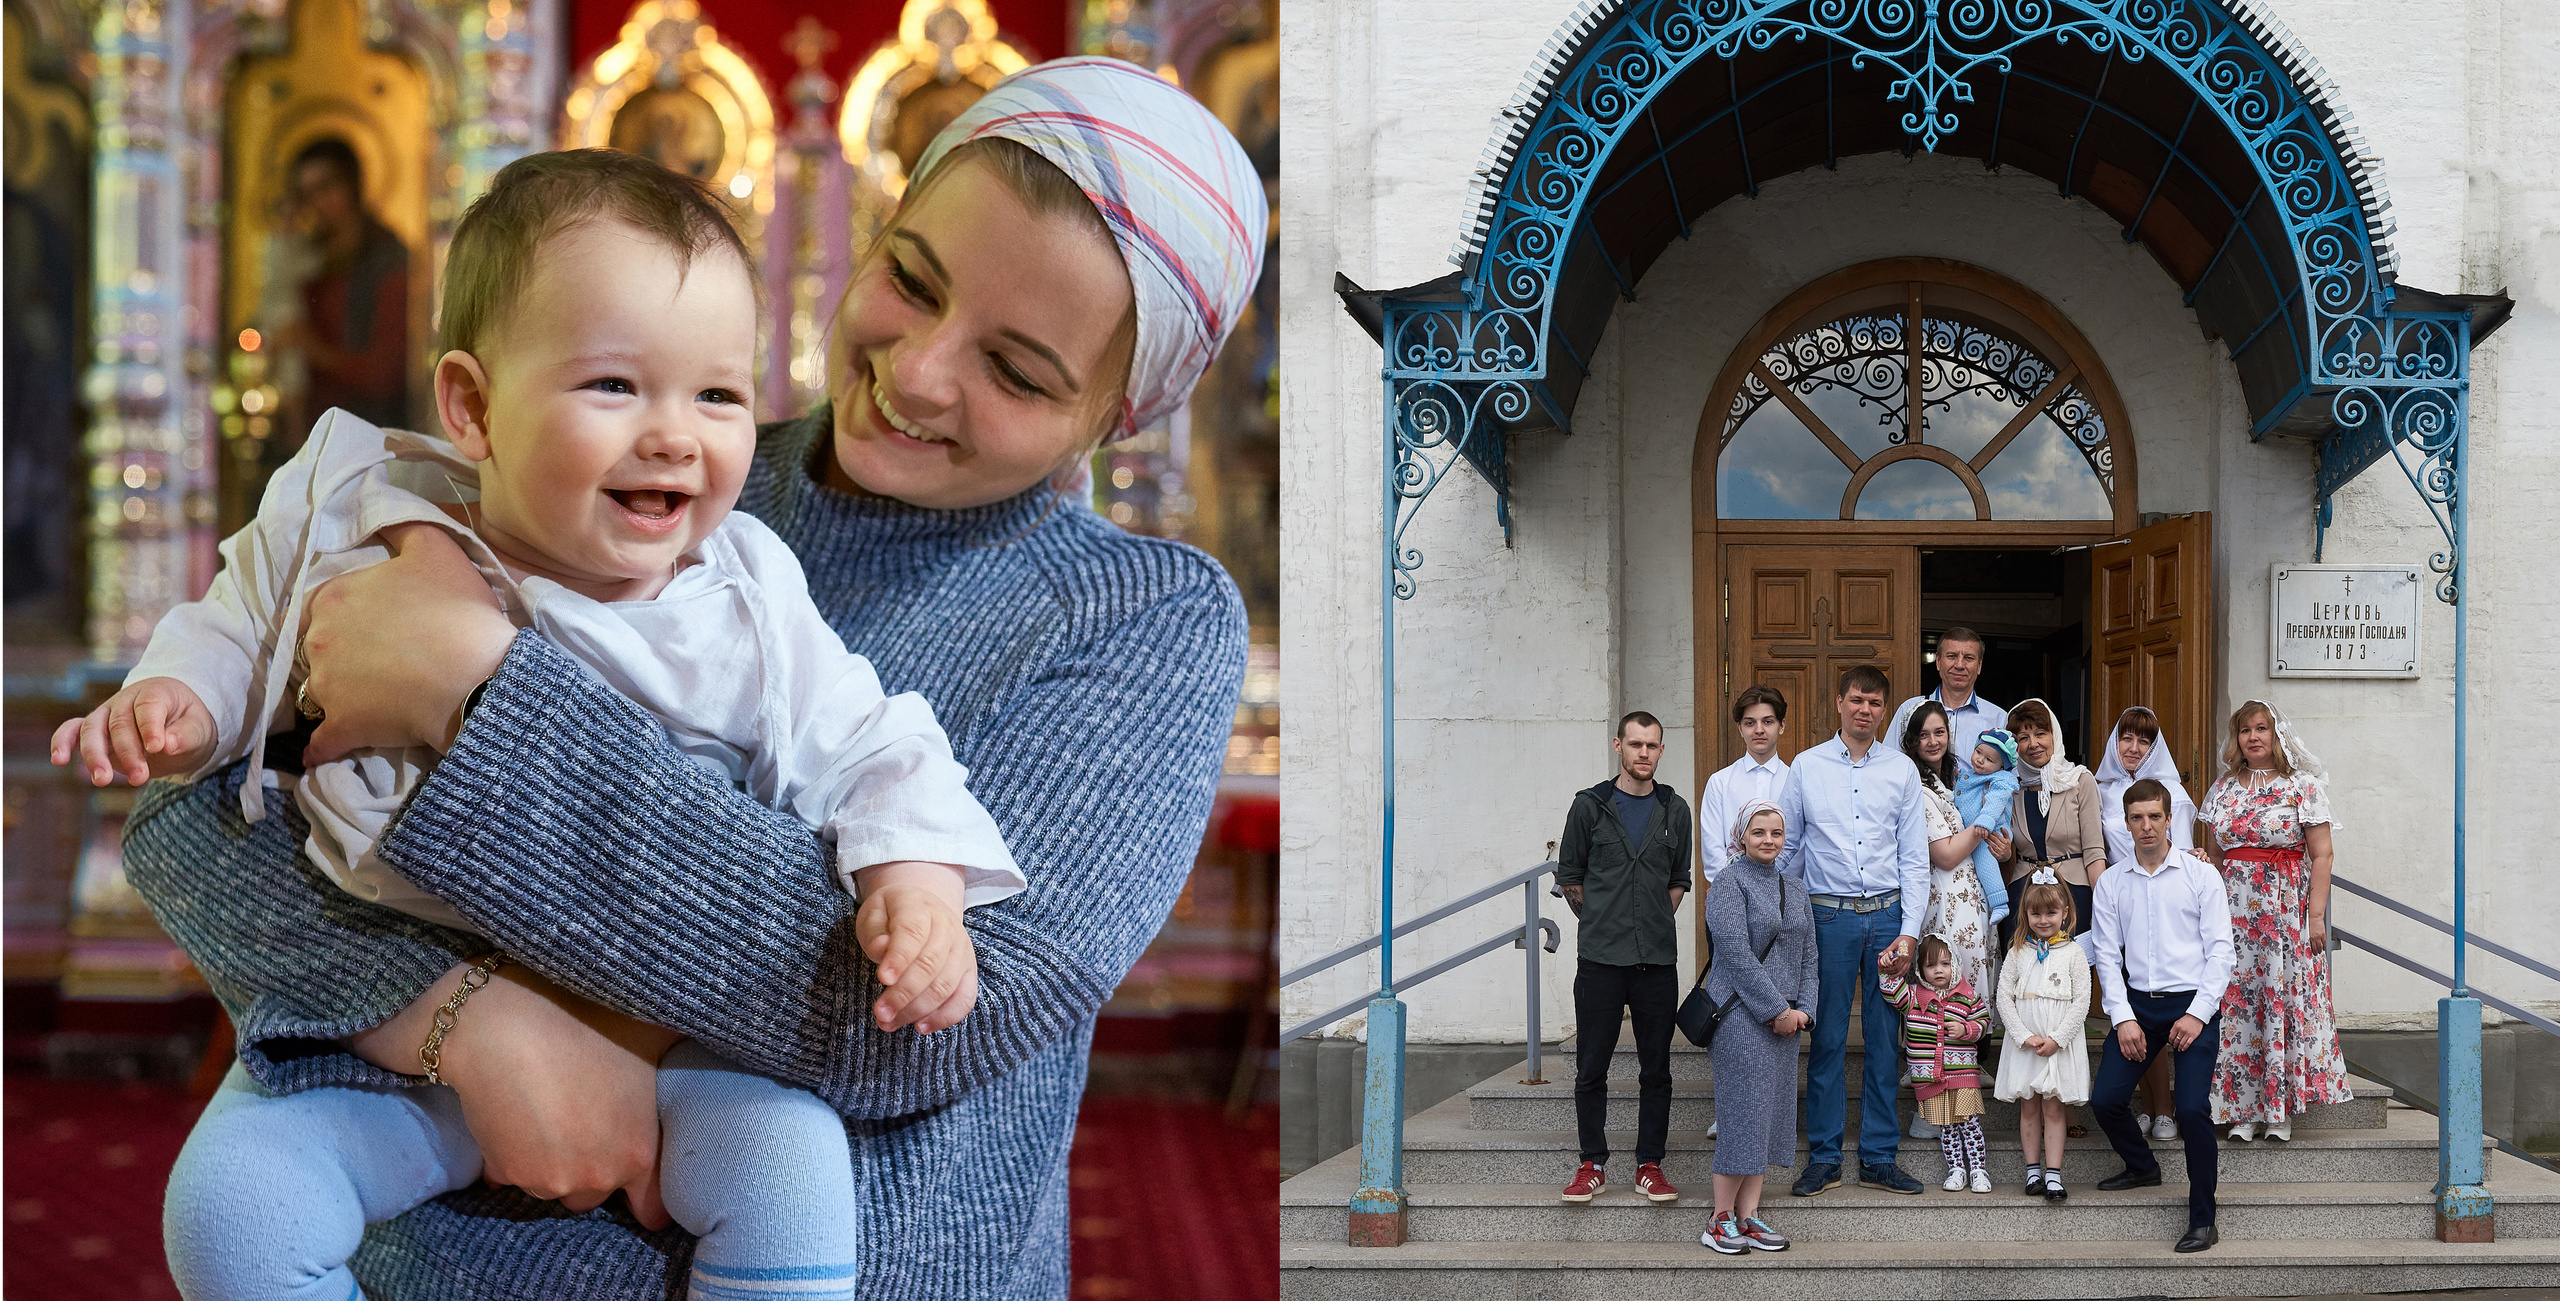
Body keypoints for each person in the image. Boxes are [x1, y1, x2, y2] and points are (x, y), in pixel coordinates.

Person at [114, 57, 1267, 1295]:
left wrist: (476, 690)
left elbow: (924, 1025)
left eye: (1019, 371)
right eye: (911, 278)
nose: (922, 370)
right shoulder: (632, 462)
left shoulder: (1140, 617)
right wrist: (461, 1020)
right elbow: (189, 819)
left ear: (1119, 413)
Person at [1772, 664, 1930, 1198]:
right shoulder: (1807, 766)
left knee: (1885, 1041)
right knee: (1828, 1039)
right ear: (1840, 702)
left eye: (1875, 703)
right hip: (1828, 920)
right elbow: (1789, 848)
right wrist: (1769, 906)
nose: (1866, 710)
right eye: (1857, 699)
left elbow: (1914, 858)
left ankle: (1880, 1157)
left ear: (1885, 711)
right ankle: (1824, 1157)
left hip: (1887, 919)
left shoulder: (1901, 770)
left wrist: (1909, 932)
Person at [2088, 778, 2234, 1254]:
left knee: (2191, 1109)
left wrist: (2197, 1014)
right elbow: (2106, 956)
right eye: (2137, 818)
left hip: (2192, 1005)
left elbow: (2222, 952)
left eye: (2155, 816)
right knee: (2106, 1100)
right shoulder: (2113, 882)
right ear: (2125, 823)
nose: (2146, 826)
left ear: (2170, 819)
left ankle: (2203, 1219)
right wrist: (2122, 1017)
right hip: (2138, 1007)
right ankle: (2142, 1166)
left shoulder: (2201, 875)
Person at [2199, 699, 2351, 1143]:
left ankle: (2279, 1109)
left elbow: (2322, 855)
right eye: (2245, 730)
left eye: (2261, 728)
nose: (2253, 737)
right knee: (2239, 1003)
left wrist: (2316, 917)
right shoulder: (2224, 788)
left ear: (2277, 734)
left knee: (2279, 1000)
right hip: (2234, 914)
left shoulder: (2302, 786)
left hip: (2284, 912)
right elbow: (2218, 855)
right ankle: (2242, 1109)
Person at [1557, 711, 1694, 1205]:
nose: (1643, 753)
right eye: (1635, 744)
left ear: (1661, 750)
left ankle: (1649, 1165)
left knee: (1656, 1069)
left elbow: (1679, 879)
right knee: (1591, 1066)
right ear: (1618, 746)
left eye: (1652, 745)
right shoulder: (1590, 806)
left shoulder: (1674, 809)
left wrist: (1651, 918)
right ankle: (1591, 1163)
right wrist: (1602, 921)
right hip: (1600, 960)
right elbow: (1570, 876)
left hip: (1656, 960)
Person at [1697, 800, 1815, 1255]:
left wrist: (1805, 1009)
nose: (1768, 840)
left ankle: (1748, 1217)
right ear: (1741, 836)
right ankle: (1719, 1219)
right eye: (1759, 832)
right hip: (1741, 1019)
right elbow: (1734, 954)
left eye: (1776, 833)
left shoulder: (1795, 887)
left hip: (1786, 1022)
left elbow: (1810, 956)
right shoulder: (1728, 883)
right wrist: (1776, 1011)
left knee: (1769, 1117)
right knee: (1743, 1117)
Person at [1897, 701, 1999, 1141]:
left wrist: (1997, 842)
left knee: (1968, 988)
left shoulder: (1955, 778)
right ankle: (1932, 1093)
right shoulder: (1916, 786)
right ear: (1911, 741)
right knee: (1940, 987)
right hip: (1942, 899)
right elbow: (1944, 853)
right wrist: (1984, 825)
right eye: (1924, 734)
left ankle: (1967, 1069)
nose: (1933, 741)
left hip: (1970, 896)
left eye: (1939, 732)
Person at [2092, 705, 2195, 1140]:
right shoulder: (2099, 790)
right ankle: (2146, 1106)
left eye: (2145, 741)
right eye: (2126, 738)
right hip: (2118, 900)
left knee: (2154, 1003)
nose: (2134, 748)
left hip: (2161, 906)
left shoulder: (2173, 795)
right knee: (2129, 1008)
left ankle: (2165, 1107)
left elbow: (2182, 854)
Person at [277, 138, 412, 444]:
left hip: (371, 433)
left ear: (353, 185)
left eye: (325, 187)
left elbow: (386, 373)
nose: (317, 203)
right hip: (311, 430)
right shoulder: (305, 260)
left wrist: (313, 350)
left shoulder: (388, 261)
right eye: (306, 194)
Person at [1994, 873, 2092, 1205]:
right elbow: (2004, 996)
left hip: (2056, 1046)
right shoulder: (2017, 951)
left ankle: (2054, 1174)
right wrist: (2022, 1036)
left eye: (2051, 913)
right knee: (2029, 1106)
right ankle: (2032, 1171)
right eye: (2035, 913)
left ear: (2065, 913)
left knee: (2053, 1108)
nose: (2043, 920)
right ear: (2026, 914)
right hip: (2027, 1045)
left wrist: (2058, 1039)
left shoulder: (2074, 952)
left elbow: (2082, 1000)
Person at [1990, 698, 2108, 952]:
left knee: (2071, 970)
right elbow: (2007, 850)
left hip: (2074, 896)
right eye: (2023, 738)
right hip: (2023, 897)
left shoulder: (2080, 781)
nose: (2033, 743)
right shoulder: (2010, 788)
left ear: (2054, 734)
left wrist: (2103, 908)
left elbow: (2094, 852)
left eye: (2040, 733)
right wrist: (2004, 853)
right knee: (2021, 970)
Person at [1879, 934, 1991, 1193]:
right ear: (1920, 969)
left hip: (1962, 1075)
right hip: (1930, 1077)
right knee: (1946, 1126)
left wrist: (1966, 1029)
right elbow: (1890, 989)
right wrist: (1886, 966)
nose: (1938, 970)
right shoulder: (1914, 997)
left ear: (1955, 965)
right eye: (1931, 965)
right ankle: (1956, 1169)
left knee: (1969, 1124)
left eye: (1945, 964)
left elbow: (1984, 1022)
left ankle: (1978, 1170)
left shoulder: (1967, 996)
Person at [1884, 626, 2006, 786]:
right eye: (1951, 656)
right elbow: (1888, 766)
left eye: (1969, 658)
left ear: (1979, 666)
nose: (1959, 665)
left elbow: (2010, 778)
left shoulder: (1998, 719)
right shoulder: (1909, 710)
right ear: (1938, 661)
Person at [1699, 684, 1790, 885]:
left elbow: (1797, 847)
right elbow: (1713, 849)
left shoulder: (1794, 781)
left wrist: (1778, 888)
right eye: (1750, 723)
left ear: (1781, 725)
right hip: (1732, 891)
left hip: (1784, 892)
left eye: (1767, 721)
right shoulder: (1720, 782)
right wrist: (1734, 888)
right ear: (1740, 728)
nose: (1759, 730)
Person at [1952, 728, 2021, 922]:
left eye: (1989, 759)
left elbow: (1995, 802)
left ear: (2002, 767)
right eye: (1978, 752)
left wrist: (1985, 822)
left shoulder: (2002, 780)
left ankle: (1999, 903)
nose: (1980, 760)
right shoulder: (1974, 775)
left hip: (1990, 832)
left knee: (1985, 862)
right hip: (1975, 832)